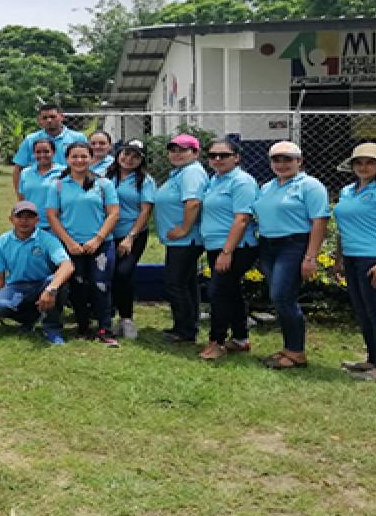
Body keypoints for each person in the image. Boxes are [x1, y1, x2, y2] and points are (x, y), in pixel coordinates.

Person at [252, 140, 330, 369]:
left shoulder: (310, 186)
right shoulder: (267, 187)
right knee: (279, 298)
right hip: (268, 245)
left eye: (288, 159)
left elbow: (319, 221)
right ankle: (288, 349)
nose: (282, 164)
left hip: (293, 245)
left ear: (299, 161)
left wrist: (310, 257)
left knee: (282, 296)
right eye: (276, 159)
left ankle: (296, 352)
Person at [332, 143, 376, 382]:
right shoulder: (347, 191)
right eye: (359, 162)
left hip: (375, 258)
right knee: (363, 312)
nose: (364, 167)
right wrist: (339, 259)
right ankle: (372, 360)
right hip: (352, 258)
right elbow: (343, 229)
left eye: (370, 162)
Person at [46, 141, 120, 345]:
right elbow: (52, 216)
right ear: (67, 159)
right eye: (74, 156)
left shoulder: (103, 184)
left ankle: (105, 328)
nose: (79, 160)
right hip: (72, 245)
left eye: (84, 156)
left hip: (101, 245)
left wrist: (98, 239)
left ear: (90, 158)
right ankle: (83, 327)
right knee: (78, 287)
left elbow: (113, 213)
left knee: (100, 285)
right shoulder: (57, 186)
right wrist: (69, 242)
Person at [198, 139, 260, 361]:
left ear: (236, 157)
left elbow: (242, 219)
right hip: (216, 245)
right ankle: (241, 339)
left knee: (218, 292)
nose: (217, 159)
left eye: (223, 155)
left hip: (236, 247)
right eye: (212, 155)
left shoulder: (242, 182)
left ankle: (217, 342)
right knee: (231, 291)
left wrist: (227, 252)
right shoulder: (215, 180)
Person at [0, 201, 75, 345]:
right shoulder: (2, 243)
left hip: (42, 284)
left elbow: (67, 265)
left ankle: (52, 329)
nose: (24, 221)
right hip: (16, 287)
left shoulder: (47, 239)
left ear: (37, 220)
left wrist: (51, 289)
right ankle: (30, 319)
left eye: (29, 217)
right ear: (11, 219)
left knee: (59, 284)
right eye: (19, 216)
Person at [155, 133, 208, 344]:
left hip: (186, 240)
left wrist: (184, 229)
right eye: (173, 150)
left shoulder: (192, 172)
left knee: (175, 283)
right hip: (180, 240)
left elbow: (193, 202)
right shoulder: (181, 172)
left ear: (195, 153)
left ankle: (185, 331)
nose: (177, 154)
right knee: (187, 283)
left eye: (183, 150)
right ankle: (187, 325)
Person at [106, 139, 155, 340]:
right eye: (126, 153)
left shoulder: (145, 181)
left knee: (123, 273)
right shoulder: (107, 175)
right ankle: (108, 317)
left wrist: (130, 237)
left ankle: (126, 319)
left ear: (141, 160)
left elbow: (145, 211)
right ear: (118, 154)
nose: (129, 159)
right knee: (109, 274)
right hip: (108, 234)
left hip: (133, 234)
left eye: (135, 156)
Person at [11, 103, 88, 193]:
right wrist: (19, 194)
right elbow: (18, 168)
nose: (49, 120)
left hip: (70, 190)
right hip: (40, 191)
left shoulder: (78, 138)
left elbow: (88, 165)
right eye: (45, 118)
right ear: (39, 120)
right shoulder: (30, 140)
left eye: (53, 117)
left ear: (62, 117)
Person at [15, 138, 61, 231]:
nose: (42, 155)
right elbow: (22, 199)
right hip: (31, 226)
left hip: (56, 227)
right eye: (38, 152)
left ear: (53, 152)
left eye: (46, 151)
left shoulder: (63, 172)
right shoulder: (25, 173)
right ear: (33, 154)